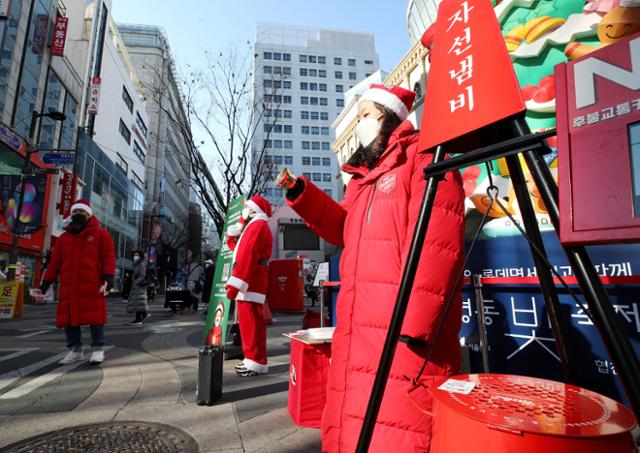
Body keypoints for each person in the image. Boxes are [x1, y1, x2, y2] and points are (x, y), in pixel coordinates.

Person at [276, 84, 465, 452]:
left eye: (363, 115)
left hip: (401, 335)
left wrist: (412, 327)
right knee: (353, 423)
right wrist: (303, 193)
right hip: (358, 328)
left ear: (388, 116)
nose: (358, 124)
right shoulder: (362, 180)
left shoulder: (423, 157)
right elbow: (343, 226)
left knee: (397, 430)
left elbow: (437, 244)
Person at [40, 199, 116, 365]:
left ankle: (97, 349)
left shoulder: (101, 234)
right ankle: (75, 350)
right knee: (69, 318)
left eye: (82, 212)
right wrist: (47, 282)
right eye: (75, 212)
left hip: (93, 284)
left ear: (89, 215)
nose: (78, 215)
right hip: (69, 286)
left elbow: (109, 257)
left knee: (95, 317)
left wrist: (109, 277)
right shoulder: (63, 238)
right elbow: (55, 263)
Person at [225, 195, 273, 377]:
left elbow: (247, 255)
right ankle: (253, 358)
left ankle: (256, 361)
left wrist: (236, 283)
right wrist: (237, 227)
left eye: (247, 207)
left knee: (251, 323)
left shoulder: (258, 226)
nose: (245, 210)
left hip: (250, 279)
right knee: (250, 323)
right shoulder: (254, 226)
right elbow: (237, 249)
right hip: (251, 279)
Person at [127, 250, 150, 325]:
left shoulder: (141, 263)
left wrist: (135, 282)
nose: (135, 256)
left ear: (140, 256)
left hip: (140, 285)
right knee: (139, 302)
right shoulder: (135, 264)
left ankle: (139, 319)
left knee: (139, 302)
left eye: (137, 255)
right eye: (134, 255)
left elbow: (142, 275)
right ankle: (141, 316)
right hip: (136, 285)